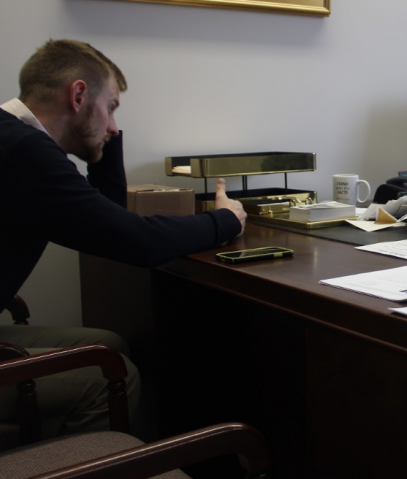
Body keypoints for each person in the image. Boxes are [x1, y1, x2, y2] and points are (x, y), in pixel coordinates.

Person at [0, 39, 247, 440]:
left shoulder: (17, 141)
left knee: (109, 343)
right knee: (111, 375)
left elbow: (106, 221)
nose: (114, 126)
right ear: (78, 94)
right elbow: (135, 241)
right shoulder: (23, 152)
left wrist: (103, 142)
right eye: (111, 107)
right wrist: (226, 219)